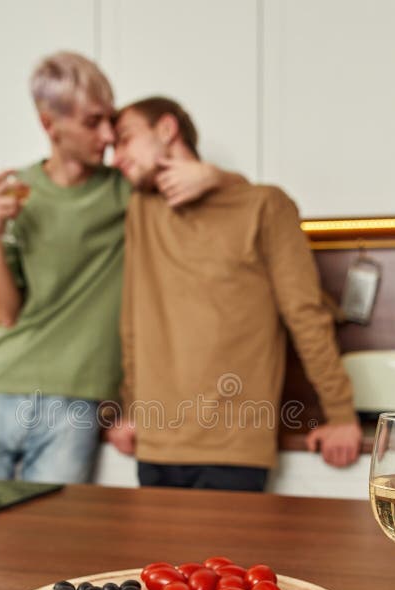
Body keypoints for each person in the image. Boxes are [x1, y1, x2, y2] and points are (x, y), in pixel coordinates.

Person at [0, 55, 227, 483]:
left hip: (76, 400)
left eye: (109, 120)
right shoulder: (11, 194)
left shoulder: (123, 190)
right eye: (92, 122)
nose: (107, 135)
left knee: (50, 542)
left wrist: (213, 176)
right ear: (49, 124)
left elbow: (196, 193)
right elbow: (5, 313)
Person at [107, 96, 362, 492]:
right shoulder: (142, 209)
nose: (115, 157)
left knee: (225, 559)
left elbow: (304, 313)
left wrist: (341, 414)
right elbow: (132, 322)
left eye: (124, 139)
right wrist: (132, 405)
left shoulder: (266, 206)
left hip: (233, 449)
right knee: (153, 559)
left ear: (166, 129)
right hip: (155, 445)